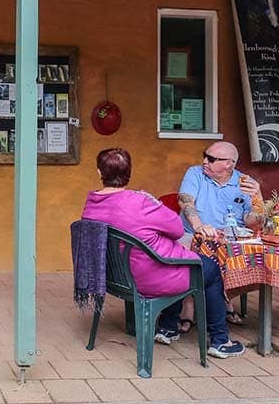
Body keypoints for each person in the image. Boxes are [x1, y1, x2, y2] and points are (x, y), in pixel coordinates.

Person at [80, 147, 245, 358]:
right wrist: (153, 202)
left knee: (177, 262)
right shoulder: (139, 202)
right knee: (209, 269)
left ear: (99, 172)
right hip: (150, 278)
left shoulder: (92, 203)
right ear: (129, 172)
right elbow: (176, 229)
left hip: (116, 277)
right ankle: (220, 341)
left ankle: (168, 327)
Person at [177, 140, 265, 328]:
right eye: (205, 156)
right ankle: (188, 304)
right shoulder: (195, 173)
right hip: (191, 233)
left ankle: (225, 299)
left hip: (229, 239)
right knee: (187, 251)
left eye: (211, 159)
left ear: (229, 164)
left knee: (241, 255)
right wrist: (199, 226)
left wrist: (258, 199)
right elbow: (185, 201)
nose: (204, 161)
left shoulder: (244, 183)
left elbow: (252, 222)